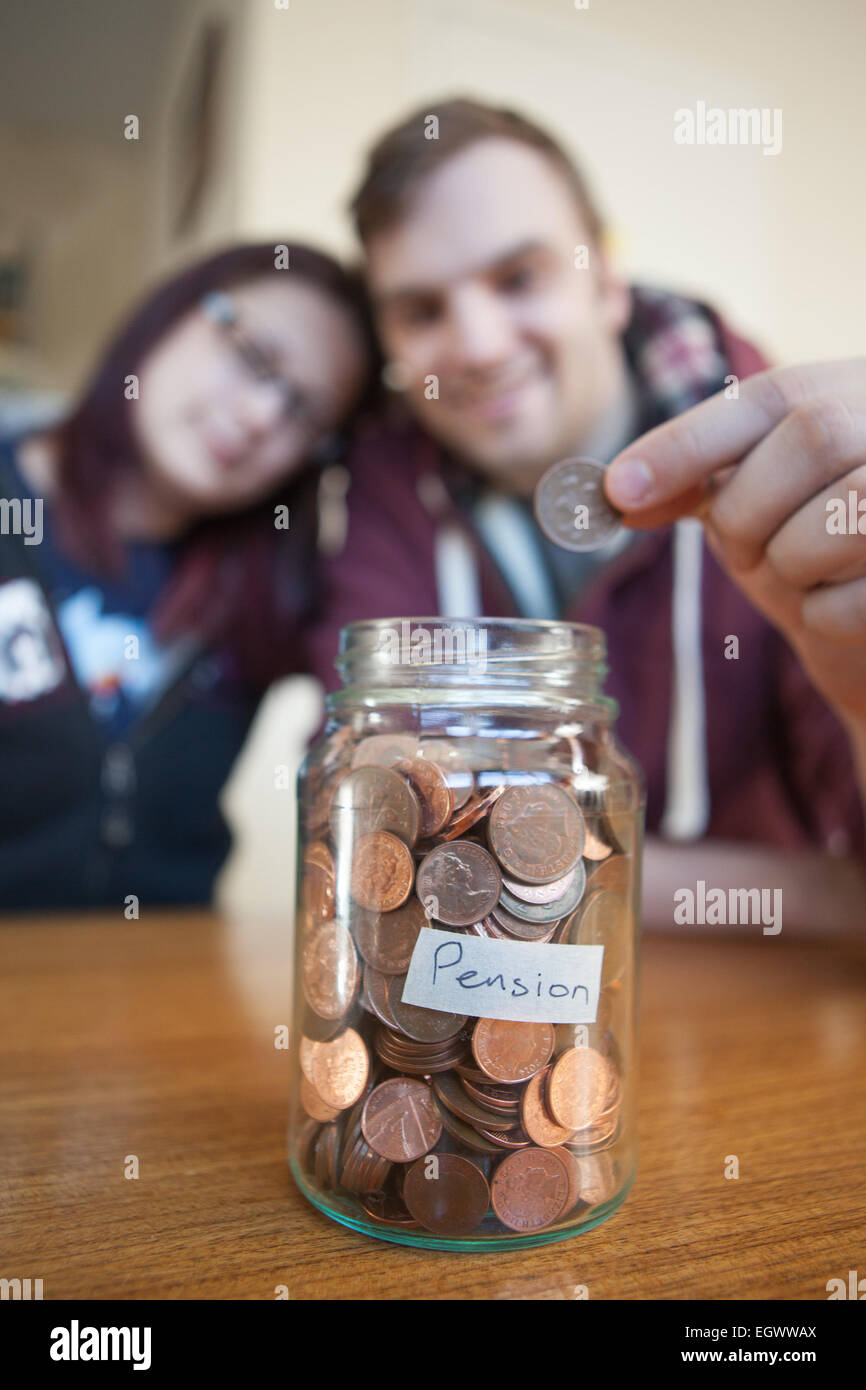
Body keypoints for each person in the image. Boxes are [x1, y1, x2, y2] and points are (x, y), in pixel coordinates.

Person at [307, 98, 866, 935]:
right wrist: (816, 897)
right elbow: (371, 832)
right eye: (422, 311)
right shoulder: (382, 491)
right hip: (473, 1032)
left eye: (519, 279)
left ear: (606, 281)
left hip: (756, 1017)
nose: (482, 344)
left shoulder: (794, 462)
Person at [0, 242, 375, 911]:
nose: (262, 418)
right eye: (256, 359)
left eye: (304, 413)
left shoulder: (270, 583)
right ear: (173, 313)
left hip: (167, 987)